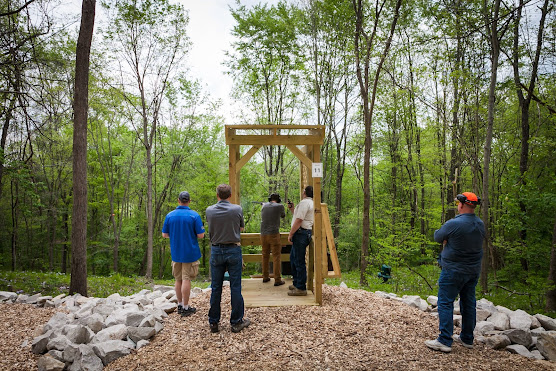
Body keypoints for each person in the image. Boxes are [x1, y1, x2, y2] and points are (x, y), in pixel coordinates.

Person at [425, 192, 485, 353]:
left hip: (453, 270)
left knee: (445, 302)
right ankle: (467, 338)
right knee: (468, 303)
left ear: (462, 205)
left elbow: (438, 236)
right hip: (472, 272)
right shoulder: (480, 224)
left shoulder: (454, 224)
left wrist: (447, 239)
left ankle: (444, 340)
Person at [205, 184, 251, 333]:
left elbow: (210, 227)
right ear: (230, 195)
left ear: (217, 195)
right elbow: (241, 228)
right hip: (233, 249)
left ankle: (214, 322)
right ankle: (236, 321)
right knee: (235, 286)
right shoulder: (237, 209)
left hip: (216, 250)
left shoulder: (209, 210)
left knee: (216, 287)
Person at [162, 191, 205, 317]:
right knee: (186, 278)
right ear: (189, 201)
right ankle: (186, 308)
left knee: (178, 279)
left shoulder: (170, 216)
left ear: (178, 200)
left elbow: (164, 234)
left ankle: (180, 305)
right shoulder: (194, 216)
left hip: (176, 251)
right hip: (190, 252)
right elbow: (201, 235)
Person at [286, 185, 314, 296]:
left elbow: (299, 220)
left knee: (298, 261)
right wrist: (293, 209)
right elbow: (300, 216)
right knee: (294, 258)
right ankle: (297, 283)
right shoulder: (311, 203)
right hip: (304, 233)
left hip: (300, 233)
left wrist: (291, 233)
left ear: (305, 192)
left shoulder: (304, 203)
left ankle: (301, 288)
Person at [260, 193, 286, 286]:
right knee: (276, 256)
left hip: (263, 235)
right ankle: (277, 279)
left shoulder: (264, 206)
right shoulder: (280, 206)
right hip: (274, 234)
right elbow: (283, 215)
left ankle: (265, 277)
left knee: (265, 255)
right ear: (279, 200)